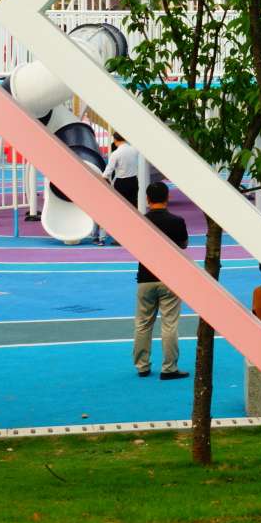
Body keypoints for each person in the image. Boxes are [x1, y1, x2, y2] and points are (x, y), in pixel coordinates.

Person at [133, 181, 188, 379]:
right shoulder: (177, 221)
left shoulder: (140, 221)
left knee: (143, 323)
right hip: (169, 278)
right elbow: (183, 245)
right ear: (168, 197)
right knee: (169, 324)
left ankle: (142, 365)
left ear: (147, 199)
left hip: (145, 277)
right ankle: (169, 367)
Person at [99, 132, 141, 245]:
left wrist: (104, 179)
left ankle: (121, 238)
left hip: (121, 183)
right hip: (134, 181)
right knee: (133, 209)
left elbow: (108, 171)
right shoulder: (134, 150)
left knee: (120, 211)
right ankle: (134, 235)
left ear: (115, 140)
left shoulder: (116, 153)